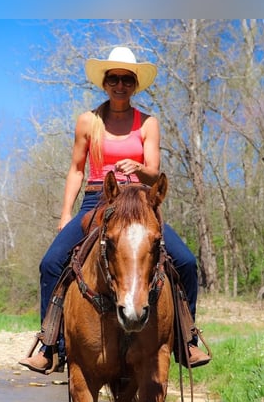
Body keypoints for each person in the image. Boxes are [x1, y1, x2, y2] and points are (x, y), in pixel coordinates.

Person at [19, 46, 210, 374]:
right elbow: (76, 169)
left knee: (187, 263)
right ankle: (52, 346)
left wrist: (137, 167)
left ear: (134, 84)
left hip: (137, 202)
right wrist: (66, 214)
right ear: (104, 83)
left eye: (126, 79)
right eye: (114, 79)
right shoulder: (87, 121)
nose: (120, 84)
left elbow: (155, 171)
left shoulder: (148, 123)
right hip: (97, 199)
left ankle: (186, 341)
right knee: (51, 263)